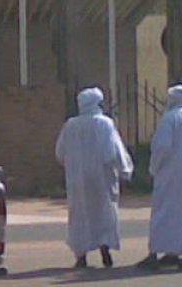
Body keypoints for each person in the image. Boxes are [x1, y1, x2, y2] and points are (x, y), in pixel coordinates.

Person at [54, 87, 135, 269]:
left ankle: (81, 256)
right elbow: (112, 152)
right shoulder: (104, 124)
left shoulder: (70, 125)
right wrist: (125, 170)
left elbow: (60, 154)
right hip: (101, 179)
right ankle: (105, 250)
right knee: (103, 213)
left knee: (80, 215)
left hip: (77, 181)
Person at [140, 85, 182, 271]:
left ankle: (156, 252)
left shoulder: (169, 119)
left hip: (170, 174)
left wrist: (154, 167)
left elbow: (161, 147)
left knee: (164, 211)